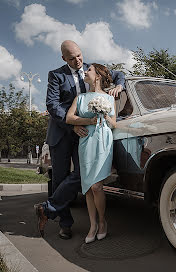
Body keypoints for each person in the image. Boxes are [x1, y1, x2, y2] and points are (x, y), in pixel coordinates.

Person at [34, 40, 125, 240]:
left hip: (87, 136)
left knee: (81, 176)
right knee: (59, 178)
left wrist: (119, 85)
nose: (77, 61)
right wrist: (73, 123)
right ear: (63, 58)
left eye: (79, 55)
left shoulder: (90, 70)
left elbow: (118, 74)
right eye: (72, 58)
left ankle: (47, 208)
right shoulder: (56, 75)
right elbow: (52, 104)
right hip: (62, 132)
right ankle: (65, 224)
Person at [66, 63, 116, 243]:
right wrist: (87, 120)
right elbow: (69, 118)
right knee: (87, 187)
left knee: (97, 186)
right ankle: (92, 225)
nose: (85, 72)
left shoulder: (109, 98)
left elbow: (114, 124)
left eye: (89, 70)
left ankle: (102, 222)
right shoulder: (80, 98)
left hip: (103, 141)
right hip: (86, 141)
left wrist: (104, 114)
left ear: (97, 76)